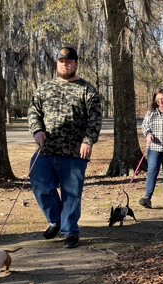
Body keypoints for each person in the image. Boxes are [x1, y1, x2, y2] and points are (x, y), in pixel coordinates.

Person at [28, 46, 102, 248]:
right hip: (46, 149)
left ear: (76, 64)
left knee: (72, 194)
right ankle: (55, 220)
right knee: (39, 183)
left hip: (74, 152)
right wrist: (37, 131)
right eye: (62, 61)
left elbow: (95, 119)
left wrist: (88, 140)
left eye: (69, 61)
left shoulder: (87, 90)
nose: (65, 64)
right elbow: (34, 112)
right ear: (57, 63)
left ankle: (70, 231)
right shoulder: (44, 88)